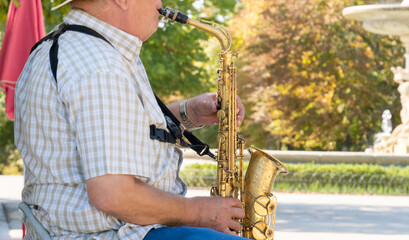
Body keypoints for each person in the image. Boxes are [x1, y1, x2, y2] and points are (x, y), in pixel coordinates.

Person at [14, 0, 248, 239]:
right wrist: (200, 212)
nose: (160, 3)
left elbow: (117, 127)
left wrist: (189, 112)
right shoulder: (101, 67)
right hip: (111, 233)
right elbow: (114, 195)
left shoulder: (68, 46)